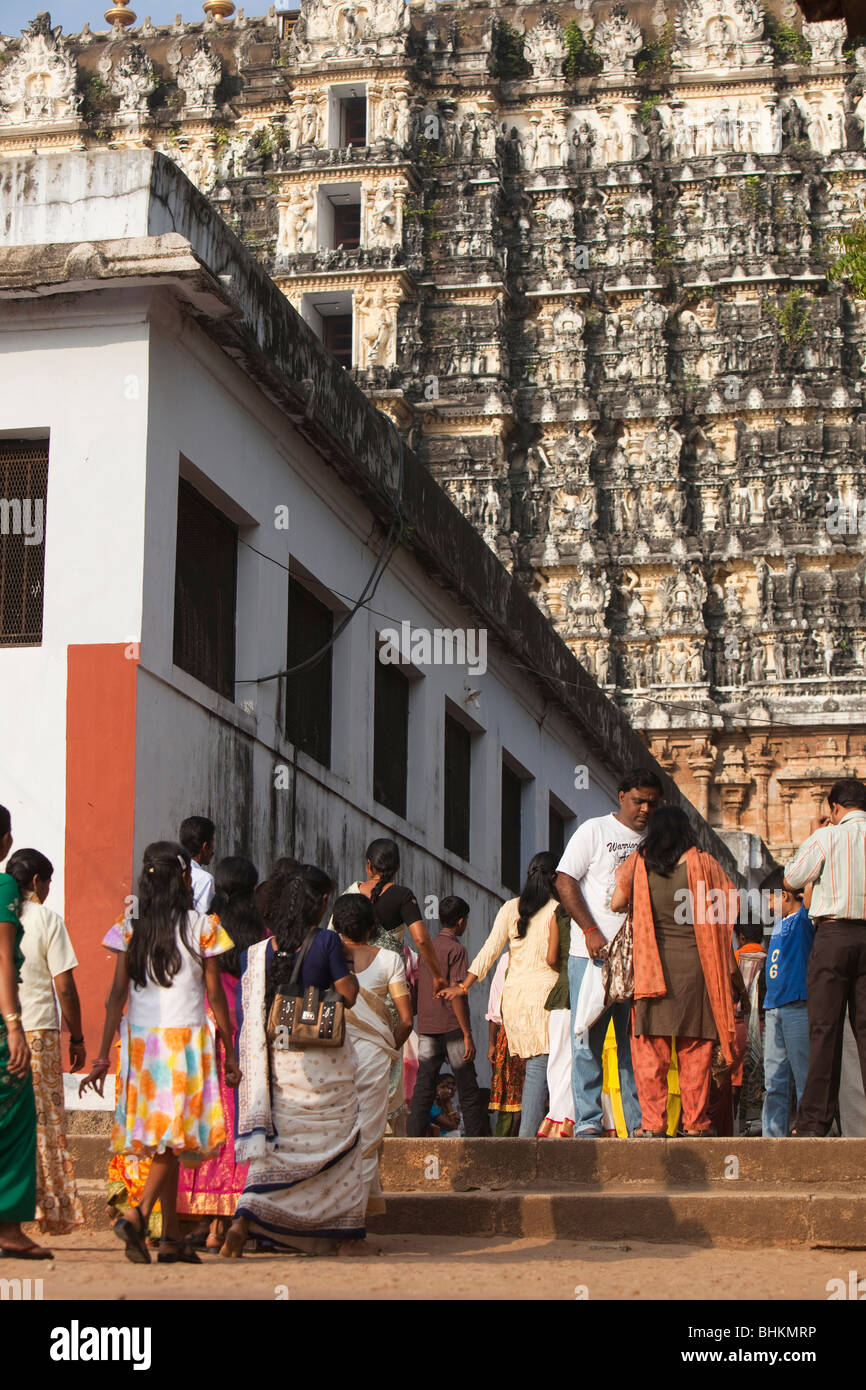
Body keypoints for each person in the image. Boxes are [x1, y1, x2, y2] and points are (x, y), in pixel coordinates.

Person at [79, 841, 239, 1265]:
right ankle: (137, 1214)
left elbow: (116, 995)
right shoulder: (203, 926)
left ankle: (170, 1239)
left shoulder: (130, 926)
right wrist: (231, 1049)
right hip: (185, 1043)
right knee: (174, 1139)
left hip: (140, 1046)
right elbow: (215, 996)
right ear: (184, 878)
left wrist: (101, 1056)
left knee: (167, 1142)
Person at [222, 864, 367, 1258]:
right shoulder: (327, 943)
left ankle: (243, 1221)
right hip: (323, 1063)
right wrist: (348, 973)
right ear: (321, 905)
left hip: (281, 1066)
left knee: (280, 1150)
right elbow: (347, 995)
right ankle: (341, 1236)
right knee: (344, 1143)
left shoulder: (258, 952)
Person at [611, 805, 739, 1137]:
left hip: (650, 968)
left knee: (650, 1051)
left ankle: (653, 1125)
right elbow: (730, 903)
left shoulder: (639, 864)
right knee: (694, 1049)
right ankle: (695, 1124)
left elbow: (615, 902)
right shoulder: (704, 863)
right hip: (697, 971)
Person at [555, 769, 663, 1137]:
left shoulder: (657, 842)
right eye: (639, 801)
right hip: (593, 956)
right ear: (621, 797)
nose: (646, 809)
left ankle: (637, 1124)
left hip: (640, 960)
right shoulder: (594, 830)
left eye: (652, 802)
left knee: (636, 1043)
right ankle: (588, 1122)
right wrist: (589, 930)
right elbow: (564, 880)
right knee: (586, 1039)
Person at [177, 856, 266, 1248]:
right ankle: (229, 1219)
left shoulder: (205, 927)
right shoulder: (262, 932)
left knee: (207, 1117)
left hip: (211, 1030)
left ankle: (200, 1218)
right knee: (240, 1120)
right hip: (247, 1033)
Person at [441, 853, 559, 1137]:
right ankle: (530, 1140)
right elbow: (556, 959)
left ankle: (532, 1137)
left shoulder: (510, 908)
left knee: (535, 1069)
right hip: (546, 999)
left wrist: (465, 984)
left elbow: (489, 950)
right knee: (544, 1069)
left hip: (514, 1002)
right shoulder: (558, 909)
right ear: (554, 878)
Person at [336, 838, 447, 1130]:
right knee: (386, 1054)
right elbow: (421, 939)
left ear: (368, 865)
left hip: (347, 983)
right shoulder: (402, 895)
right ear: (396, 868)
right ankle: (382, 1126)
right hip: (387, 983)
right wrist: (437, 975)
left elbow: (330, 938)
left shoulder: (348, 895)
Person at [7, 847, 85, 1235]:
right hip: (39, 1031)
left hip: (7, 1030)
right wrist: (79, 1035)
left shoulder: (4, 917)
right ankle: (47, 1208)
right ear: (37, 883)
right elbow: (65, 987)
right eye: (49, 882)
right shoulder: (46, 919)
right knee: (46, 1122)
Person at [784, 778, 866, 1136]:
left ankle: (815, 1122)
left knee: (824, 1030)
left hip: (833, 936)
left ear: (835, 808)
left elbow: (791, 878)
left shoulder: (827, 837)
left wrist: (817, 833)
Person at [336, 892, 413, 1218]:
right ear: (372, 926)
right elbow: (406, 1019)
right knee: (368, 1136)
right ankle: (354, 1219)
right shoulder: (390, 960)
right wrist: (389, 1050)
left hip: (332, 1055)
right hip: (374, 1058)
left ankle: (331, 1211)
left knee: (334, 1131)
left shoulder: (328, 955)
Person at [0, 805, 52, 1259]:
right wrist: (13, 1024)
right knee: (16, 1120)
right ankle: (10, 1230)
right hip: (4, 1021)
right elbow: (2, 958)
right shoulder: (2, 887)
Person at [408, 895, 488, 1137]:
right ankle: (476, 1143)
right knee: (468, 1088)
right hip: (452, 1027)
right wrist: (467, 1034)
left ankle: (412, 1139)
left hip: (427, 1027)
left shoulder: (428, 949)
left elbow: (417, 988)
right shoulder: (457, 949)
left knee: (424, 1086)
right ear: (461, 921)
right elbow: (457, 994)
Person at [760, 868, 813, 1137]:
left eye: (770, 899)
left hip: (797, 1007)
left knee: (805, 1077)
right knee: (774, 1080)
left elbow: (811, 884)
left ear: (784, 895)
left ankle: (810, 1135)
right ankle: (773, 1138)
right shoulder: (777, 925)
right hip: (774, 1008)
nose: (768, 906)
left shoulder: (805, 918)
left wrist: (818, 833)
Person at [538, 903, 574, 1137]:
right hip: (591, 990)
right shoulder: (597, 899)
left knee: (558, 1060)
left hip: (562, 990)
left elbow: (551, 957)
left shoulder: (559, 912)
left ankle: (557, 1119)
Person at [733, 922, 767, 1134]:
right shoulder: (770, 958)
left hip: (737, 1025)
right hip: (763, 1025)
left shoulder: (734, 958)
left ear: (742, 937)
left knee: (734, 1082)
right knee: (759, 1080)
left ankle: (733, 1127)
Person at [485, 951, 524, 1136]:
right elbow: (495, 1001)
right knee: (508, 1096)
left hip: (530, 1033)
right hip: (508, 1036)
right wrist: (492, 1043)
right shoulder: (507, 958)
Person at [179, 815, 216, 914]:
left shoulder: (169, 869)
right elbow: (203, 921)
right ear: (205, 846)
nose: (213, 849)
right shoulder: (205, 879)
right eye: (212, 841)